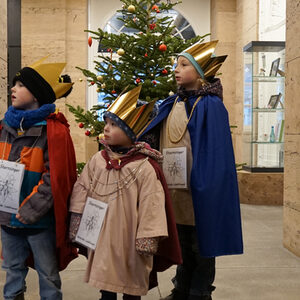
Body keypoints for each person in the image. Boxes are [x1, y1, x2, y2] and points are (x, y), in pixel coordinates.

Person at [138, 40, 244, 300]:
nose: (177, 69)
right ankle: (181, 287)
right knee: (182, 241)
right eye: (176, 64)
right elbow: (152, 134)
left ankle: (200, 291)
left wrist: (206, 183)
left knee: (202, 244)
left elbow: (216, 152)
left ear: (200, 73)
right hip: (175, 190)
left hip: (200, 189)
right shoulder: (171, 103)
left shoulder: (211, 106)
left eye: (184, 65)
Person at [68, 86, 182, 300]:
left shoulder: (144, 167)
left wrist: (147, 237)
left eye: (114, 125)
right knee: (106, 280)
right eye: (106, 123)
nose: (107, 129)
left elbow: (153, 205)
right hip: (102, 235)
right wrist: (77, 217)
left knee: (131, 283)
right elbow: (82, 187)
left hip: (131, 239)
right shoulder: (98, 160)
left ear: (131, 132)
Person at [0, 57, 78, 300]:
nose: (13, 89)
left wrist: (31, 209)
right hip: (7, 218)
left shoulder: (52, 131)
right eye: (14, 84)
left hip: (38, 221)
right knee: (12, 271)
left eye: (20, 85)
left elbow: (55, 178)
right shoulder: (5, 127)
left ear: (36, 95)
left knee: (47, 274)